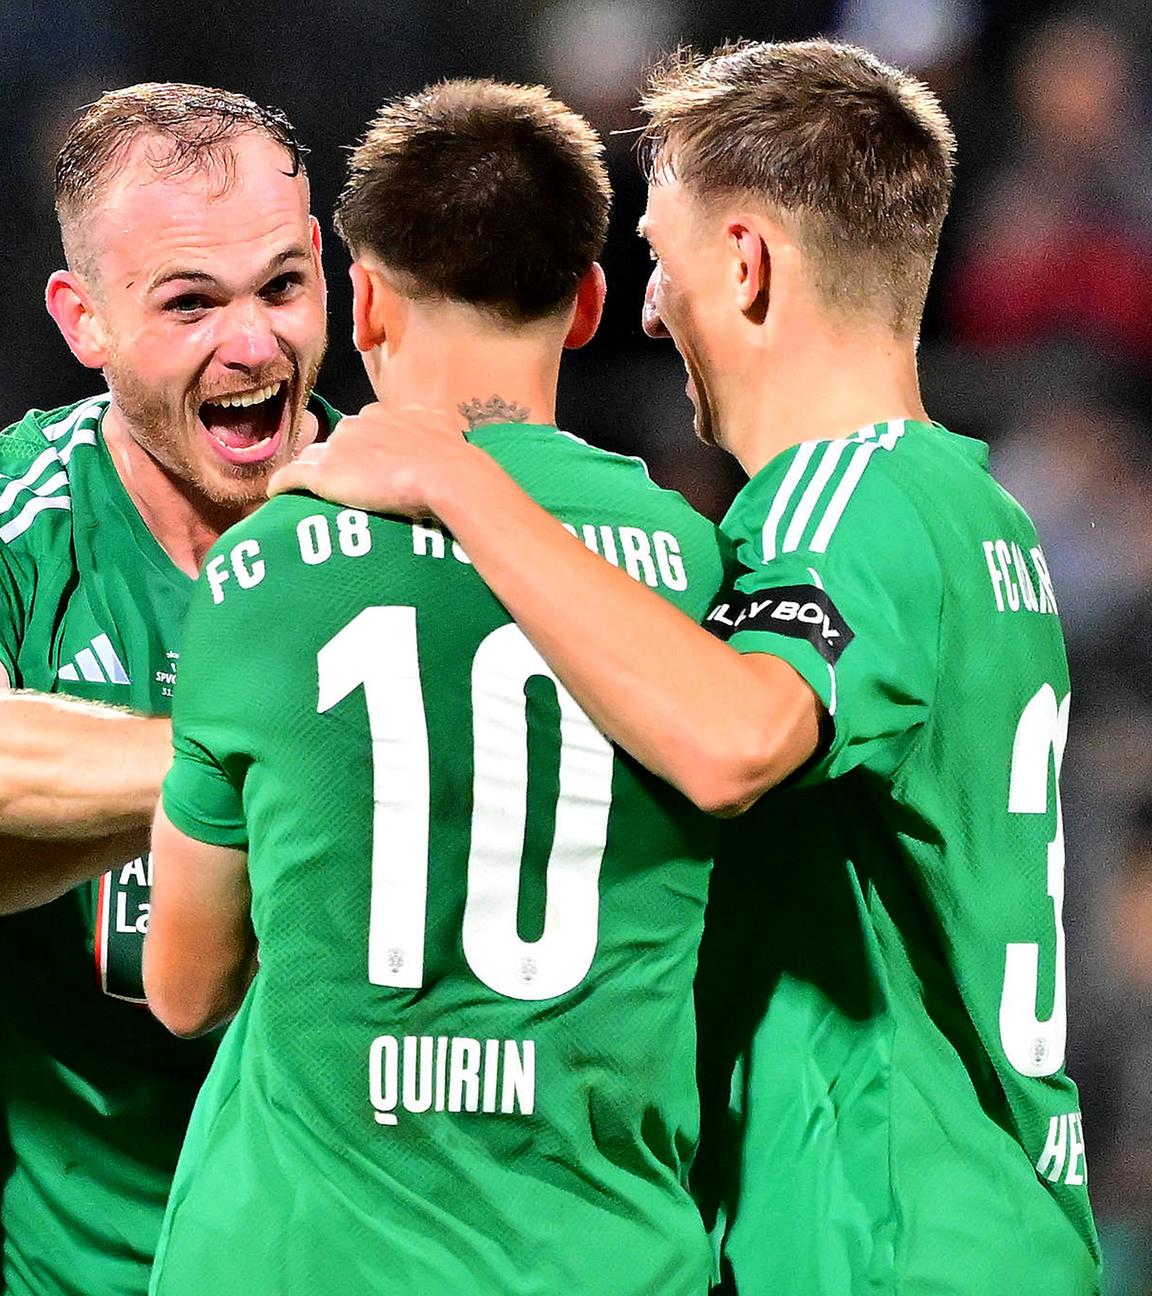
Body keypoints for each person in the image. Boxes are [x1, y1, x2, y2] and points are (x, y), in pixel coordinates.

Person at [273, 40, 1101, 1296]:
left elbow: (735, 742)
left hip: (879, 1249)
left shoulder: (846, 504)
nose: (651, 310)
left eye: (661, 257)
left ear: (746, 264)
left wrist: (454, 479)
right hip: (997, 1224)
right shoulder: (978, 511)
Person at [144, 79, 728, 1296]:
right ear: (588, 304)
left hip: (299, 1260)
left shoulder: (259, 568)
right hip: (596, 1258)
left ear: (362, 301)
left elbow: (187, 987)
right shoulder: (694, 566)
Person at [0, 83, 331, 1295]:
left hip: (349, 1258)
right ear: (82, 319)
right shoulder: (22, 525)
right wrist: (292, 752)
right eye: (191, 303)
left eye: (282, 287)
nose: (253, 346)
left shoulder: (428, 521)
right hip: (84, 1270)